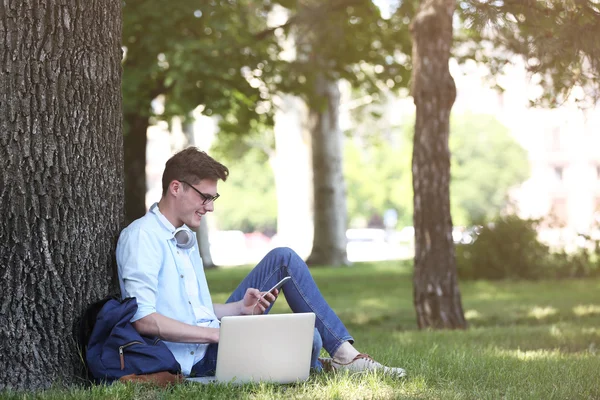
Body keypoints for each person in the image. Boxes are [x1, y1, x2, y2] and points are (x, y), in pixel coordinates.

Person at [116, 147, 406, 378]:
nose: (211, 206)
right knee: (311, 339)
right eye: (205, 197)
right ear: (176, 187)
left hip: (212, 341)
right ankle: (321, 362)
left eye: (213, 197)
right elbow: (144, 319)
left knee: (284, 259)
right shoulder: (142, 237)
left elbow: (196, 310)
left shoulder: (184, 237)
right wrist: (218, 335)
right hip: (195, 358)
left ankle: (343, 355)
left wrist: (239, 309)